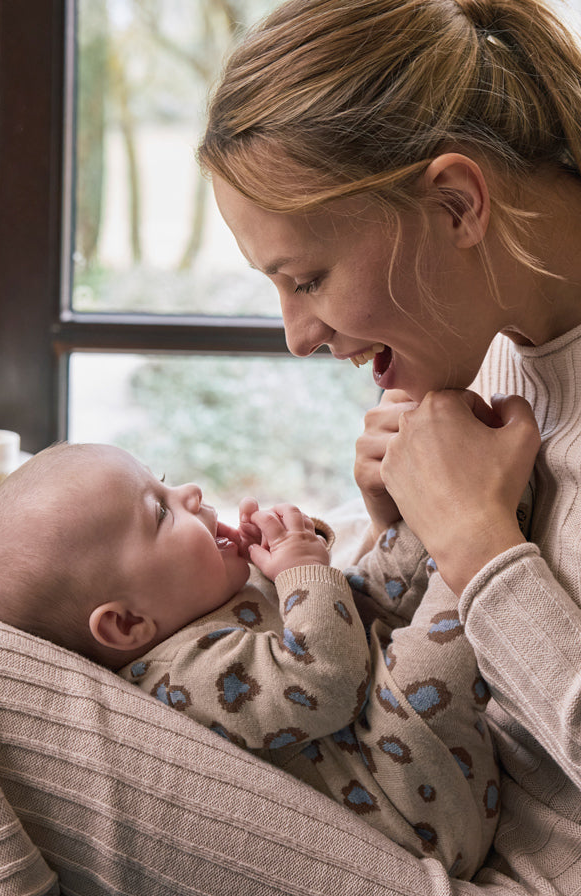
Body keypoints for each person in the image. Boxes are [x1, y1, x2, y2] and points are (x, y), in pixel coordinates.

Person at [194, 0, 581, 892]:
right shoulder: (504, 348)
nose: (296, 334)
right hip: (444, 822)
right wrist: (401, 540)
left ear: (455, 203)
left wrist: (478, 546)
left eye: (308, 278)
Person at [0, 440, 499, 879]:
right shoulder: (181, 675)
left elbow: (352, 610)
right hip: (416, 798)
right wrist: (300, 570)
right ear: (126, 624)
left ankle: (452, 502)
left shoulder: (201, 600)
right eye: (160, 511)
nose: (188, 492)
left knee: (387, 575)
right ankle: (487, 527)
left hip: (386, 731)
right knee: (435, 626)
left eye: (162, 477)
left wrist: (301, 546)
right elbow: (326, 679)